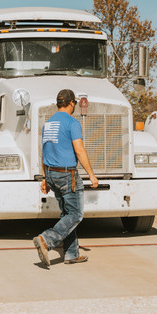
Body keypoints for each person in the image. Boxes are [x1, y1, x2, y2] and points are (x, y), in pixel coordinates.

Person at [33, 89, 98, 267]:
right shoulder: (72, 122)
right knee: (76, 214)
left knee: (67, 214)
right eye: (75, 103)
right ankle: (47, 239)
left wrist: (46, 178)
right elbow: (79, 150)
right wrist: (91, 175)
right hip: (67, 174)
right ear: (71, 103)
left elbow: (44, 152)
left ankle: (71, 254)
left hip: (52, 173)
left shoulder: (48, 123)